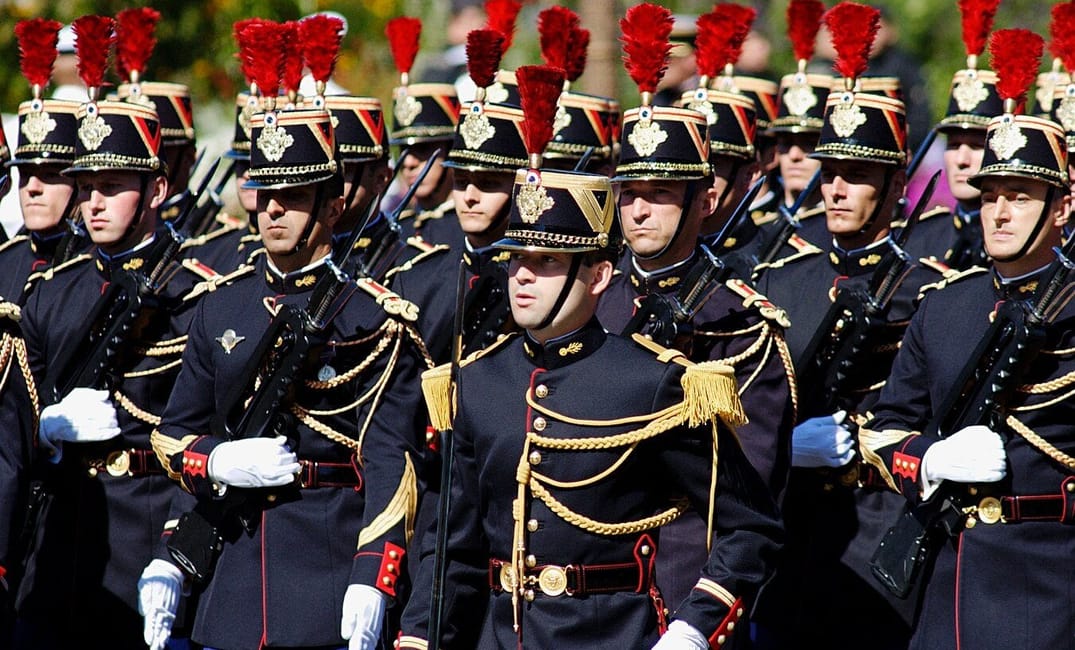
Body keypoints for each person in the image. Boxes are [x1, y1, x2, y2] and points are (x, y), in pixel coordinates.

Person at [397, 61, 782, 650]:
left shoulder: (659, 383)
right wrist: (419, 638)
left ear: (597, 273)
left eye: (548, 262)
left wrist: (694, 627)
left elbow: (744, 523)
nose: (524, 277)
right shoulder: (477, 382)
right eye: (516, 260)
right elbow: (453, 548)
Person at [150, 100, 430, 650]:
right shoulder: (221, 308)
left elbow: (390, 463)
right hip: (229, 586)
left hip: (325, 581)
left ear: (333, 205)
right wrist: (217, 460)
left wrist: (373, 577)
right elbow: (173, 432)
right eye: (267, 194)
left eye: (295, 196)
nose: (274, 210)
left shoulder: (370, 317)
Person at [859, 31, 1075, 649]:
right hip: (951, 583)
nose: (1000, 212)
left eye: (1022, 196)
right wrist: (927, 459)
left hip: (1053, 576)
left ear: (1062, 207)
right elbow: (884, 428)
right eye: (992, 196)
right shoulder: (947, 307)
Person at [13, 19, 217, 645]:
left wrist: (175, 556)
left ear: (156, 189)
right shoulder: (48, 289)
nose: (93, 203)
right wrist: (44, 428)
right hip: (58, 545)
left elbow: (206, 425)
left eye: (112, 188)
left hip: (146, 539)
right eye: (88, 188)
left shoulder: (197, 295)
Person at [753, 4, 947, 647]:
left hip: (882, 517)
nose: (835, 189)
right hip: (793, 522)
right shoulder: (783, 279)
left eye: (857, 177)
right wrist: (785, 445)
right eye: (831, 174)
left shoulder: (930, 288)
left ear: (896, 188)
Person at [596, 24, 794, 615]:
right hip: (578, 592)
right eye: (628, 191)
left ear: (704, 201)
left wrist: (697, 617)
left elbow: (741, 499)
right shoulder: (588, 299)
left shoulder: (737, 321)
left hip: (677, 585)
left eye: (659, 191)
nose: (638, 208)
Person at [385, 16, 463, 248]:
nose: (407, 163)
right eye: (403, 149)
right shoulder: (392, 230)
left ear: (451, 150)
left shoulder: (470, 232)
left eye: (422, 150)